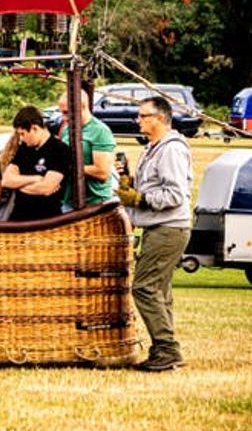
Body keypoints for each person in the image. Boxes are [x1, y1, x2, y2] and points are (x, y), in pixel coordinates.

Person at [117, 96, 192, 372]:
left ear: (160, 118)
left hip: (168, 227)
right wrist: (129, 180)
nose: (138, 120)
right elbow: (153, 185)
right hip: (159, 227)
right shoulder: (154, 148)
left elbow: (174, 194)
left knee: (145, 288)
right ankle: (165, 350)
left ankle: (168, 349)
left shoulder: (171, 150)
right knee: (160, 290)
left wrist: (139, 199)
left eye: (143, 115)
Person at [2, 106, 70, 221]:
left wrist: (18, 185)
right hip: (18, 217)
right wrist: (36, 178)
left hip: (46, 219)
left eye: (23, 134)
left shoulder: (59, 150)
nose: (21, 139)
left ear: (34, 128)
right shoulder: (24, 148)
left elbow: (45, 188)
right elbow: (6, 180)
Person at [58, 90, 115, 208]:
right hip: (68, 201)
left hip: (94, 204)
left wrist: (70, 167)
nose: (64, 118)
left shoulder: (100, 131)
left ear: (82, 107)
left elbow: (102, 172)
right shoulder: (66, 129)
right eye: (62, 113)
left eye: (67, 113)